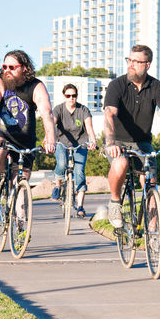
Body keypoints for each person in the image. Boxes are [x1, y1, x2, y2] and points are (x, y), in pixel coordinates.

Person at [103, 44, 160, 228]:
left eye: (136, 61)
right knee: (120, 163)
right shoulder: (117, 85)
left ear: (147, 64)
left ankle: (154, 235)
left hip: (143, 143)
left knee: (150, 184)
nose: (131, 64)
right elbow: (109, 115)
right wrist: (110, 143)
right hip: (118, 141)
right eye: (129, 60)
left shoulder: (157, 87)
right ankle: (115, 202)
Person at [0, 50, 56, 208]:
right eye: (4, 66)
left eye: (12, 67)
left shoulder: (35, 86)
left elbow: (47, 111)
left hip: (25, 142)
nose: (6, 70)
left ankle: (21, 224)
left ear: (24, 68)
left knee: (21, 181)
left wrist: (50, 138)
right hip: (1, 137)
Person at [51, 83, 97, 218]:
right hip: (61, 143)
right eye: (68, 95)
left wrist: (93, 141)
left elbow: (89, 127)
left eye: (74, 95)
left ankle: (80, 206)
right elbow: (52, 123)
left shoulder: (83, 110)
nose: (71, 98)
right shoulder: (58, 109)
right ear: (64, 96)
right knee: (62, 164)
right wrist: (49, 137)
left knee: (79, 172)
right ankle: (58, 186)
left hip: (80, 144)